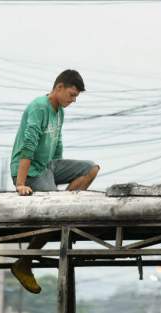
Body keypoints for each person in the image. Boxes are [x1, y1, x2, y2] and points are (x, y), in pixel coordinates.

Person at [10, 69, 100, 294]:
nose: (73, 100)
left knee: (91, 168)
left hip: (48, 167)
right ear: (59, 88)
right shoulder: (39, 107)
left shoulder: (59, 112)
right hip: (29, 171)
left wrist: (57, 178)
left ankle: (64, 209)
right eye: (71, 94)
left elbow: (57, 143)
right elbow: (28, 146)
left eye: (76, 96)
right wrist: (20, 183)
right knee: (53, 214)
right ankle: (24, 263)